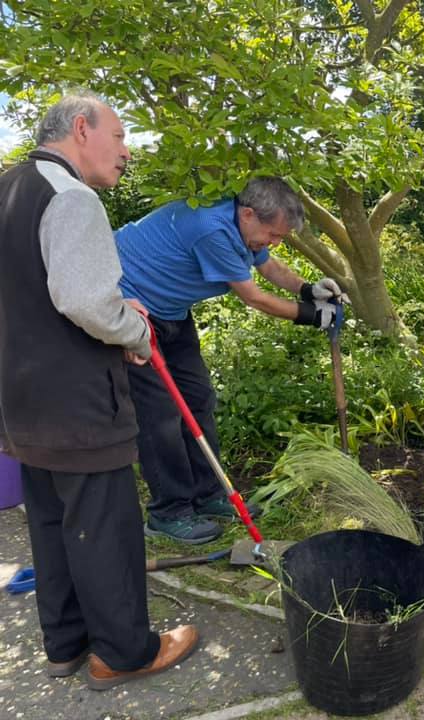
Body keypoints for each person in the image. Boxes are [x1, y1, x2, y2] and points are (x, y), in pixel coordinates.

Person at [0, 91, 197, 689]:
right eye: (119, 137)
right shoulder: (72, 196)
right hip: (78, 405)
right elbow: (83, 300)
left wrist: (113, 306)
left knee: (54, 525)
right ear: (81, 129)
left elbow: (41, 288)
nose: (127, 152)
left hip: (21, 403)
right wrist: (134, 328)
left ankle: (65, 643)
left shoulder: (9, 188)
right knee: (105, 527)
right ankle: (124, 652)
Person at [115, 177, 343, 544]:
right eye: (273, 234)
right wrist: (311, 315)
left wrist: (306, 289)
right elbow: (254, 297)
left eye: (280, 238)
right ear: (248, 213)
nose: (274, 243)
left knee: (199, 397)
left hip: (171, 310)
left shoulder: (242, 225)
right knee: (160, 413)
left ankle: (209, 496)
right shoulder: (211, 229)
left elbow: (268, 267)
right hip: (132, 308)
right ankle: (168, 512)